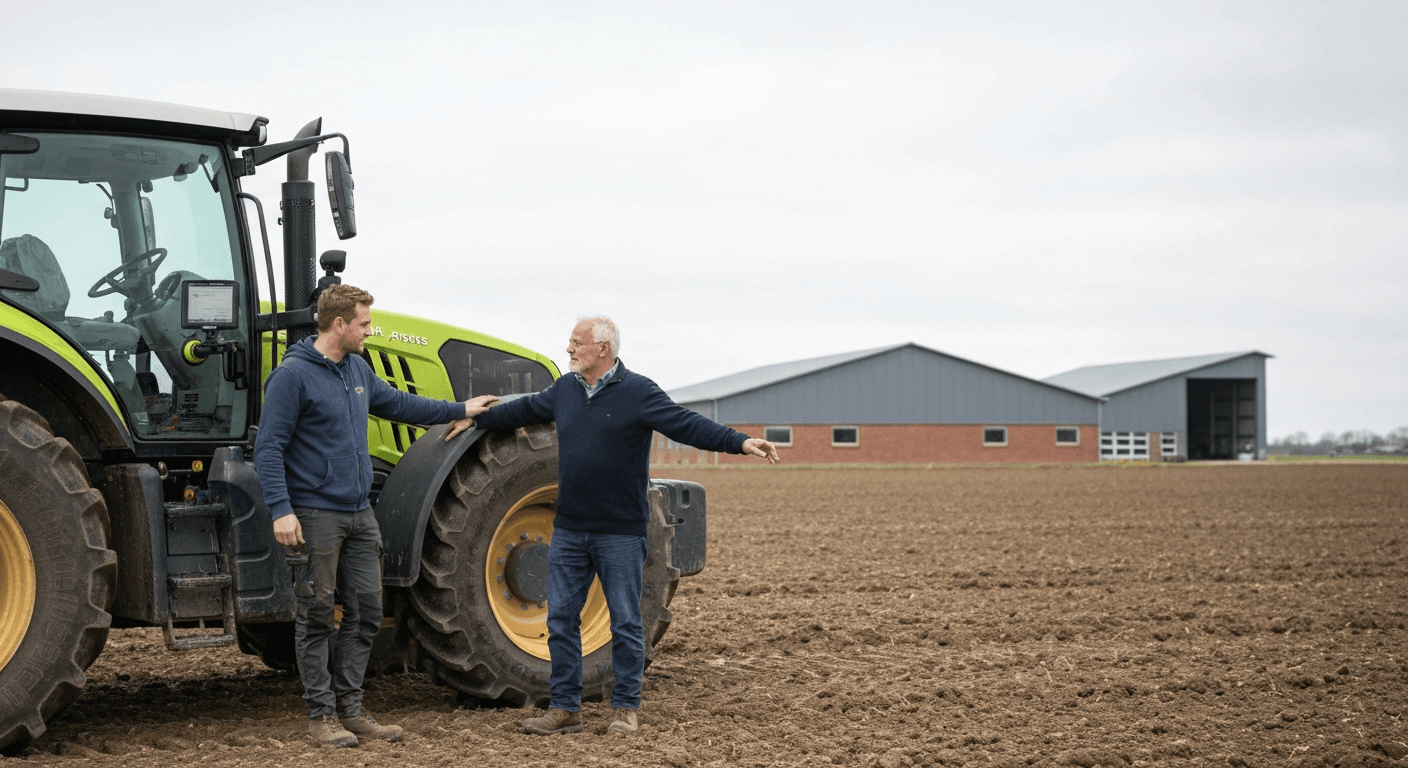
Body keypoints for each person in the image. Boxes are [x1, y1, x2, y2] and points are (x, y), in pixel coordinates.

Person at [460, 316, 778, 736]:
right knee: (561, 621)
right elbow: (522, 410)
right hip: (570, 529)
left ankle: (625, 708)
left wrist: (739, 441)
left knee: (626, 623)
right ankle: (565, 708)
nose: (569, 349)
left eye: (577, 343)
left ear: (603, 350)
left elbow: (687, 424)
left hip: (620, 533)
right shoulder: (565, 390)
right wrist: (472, 418)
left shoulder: (638, 392)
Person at [254, 284, 491, 748]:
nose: (370, 330)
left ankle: (353, 710)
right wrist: (282, 510)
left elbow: (400, 403)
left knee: (366, 613)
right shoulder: (292, 376)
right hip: (316, 514)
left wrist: (458, 410)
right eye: (364, 323)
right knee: (318, 614)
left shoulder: (356, 369)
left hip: (360, 514)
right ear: (339, 324)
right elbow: (269, 448)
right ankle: (322, 717)